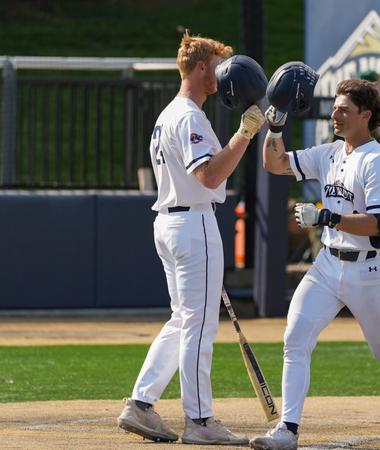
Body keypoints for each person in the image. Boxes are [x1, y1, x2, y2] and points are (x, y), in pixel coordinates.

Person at [250, 79, 380, 450]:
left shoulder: (378, 160)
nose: (335, 115)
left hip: (368, 269)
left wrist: (326, 218)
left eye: (344, 110)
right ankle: (287, 430)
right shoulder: (330, 152)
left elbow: (379, 225)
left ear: (366, 116)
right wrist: (274, 128)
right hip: (327, 264)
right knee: (295, 338)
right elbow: (274, 163)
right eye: (335, 108)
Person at [116, 31, 265, 445]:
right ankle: (199, 420)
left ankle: (141, 404)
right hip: (192, 222)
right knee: (198, 326)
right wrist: (244, 135)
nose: (221, 76)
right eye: (216, 66)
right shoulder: (188, 116)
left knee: (183, 321)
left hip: (171, 222)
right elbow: (211, 175)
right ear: (201, 68)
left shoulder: (169, 114)